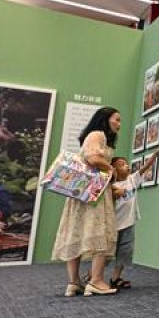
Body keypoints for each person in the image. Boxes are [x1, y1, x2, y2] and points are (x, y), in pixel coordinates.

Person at [52, 107, 120, 296]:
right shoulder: (98, 134)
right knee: (101, 231)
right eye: (116, 120)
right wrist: (110, 169)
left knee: (77, 232)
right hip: (94, 193)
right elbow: (92, 157)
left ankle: (74, 283)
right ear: (105, 119)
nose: (119, 124)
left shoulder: (94, 136)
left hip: (82, 193)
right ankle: (96, 281)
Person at [109, 151, 159, 290]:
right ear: (113, 169)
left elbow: (145, 168)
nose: (126, 166)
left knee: (124, 253)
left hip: (128, 224)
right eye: (121, 165)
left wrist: (155, 155)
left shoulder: (132, 179)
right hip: (114, 226)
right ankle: (93, 276)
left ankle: (115, 278)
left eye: (126, 164)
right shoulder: (111, 187)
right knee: (107, 253)